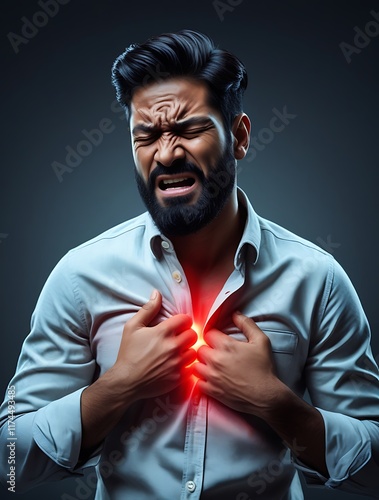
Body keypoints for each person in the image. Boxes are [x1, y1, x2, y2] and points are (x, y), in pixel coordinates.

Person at [1, 29, 379, 500]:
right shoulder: (79, 277)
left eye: (188, 129)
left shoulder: (317, 280)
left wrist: (278, 405)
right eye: (147, 136)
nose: (166, 153)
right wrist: (116, 388)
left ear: (239, 137)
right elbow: (8, 462)